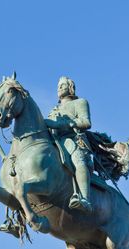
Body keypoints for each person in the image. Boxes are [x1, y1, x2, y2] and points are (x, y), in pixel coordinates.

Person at [45, 76, 93, 213]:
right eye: (58, 86)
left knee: (78, 160)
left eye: (62, 85)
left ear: (70, 88)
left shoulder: (80, 102)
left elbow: (86, 122)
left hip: (74, 140)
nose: (59, 88)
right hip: (55, 140)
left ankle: (85, 199)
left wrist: (63, 124)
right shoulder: (53, 110)